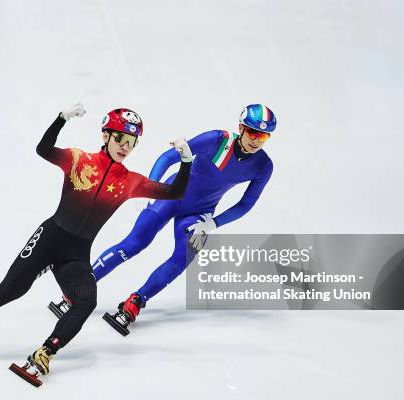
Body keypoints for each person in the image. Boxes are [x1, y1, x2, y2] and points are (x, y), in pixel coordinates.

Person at [0, 104, 194, 382]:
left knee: (86, 301)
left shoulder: (130, 181)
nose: (125, 147)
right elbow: (44, 150)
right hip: (50, 239)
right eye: (120, 138)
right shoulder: (79, 160)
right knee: (9, 290)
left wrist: (186, 161)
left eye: (132, 142)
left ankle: (45, 353)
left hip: (75, 255)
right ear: (105, 136)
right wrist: (61, 119)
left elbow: (174, 191)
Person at [50, 104, 276, 334]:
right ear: (241, 128)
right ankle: (76, 290)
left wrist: (213, 223)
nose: (256, 141)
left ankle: (136, 301)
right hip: (170, 195)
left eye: (264, 136)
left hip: (199, 214)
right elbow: (168, 157)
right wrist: (151, 186)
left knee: (182, 259)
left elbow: (247, 204)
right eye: (253, 132)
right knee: (133, 244)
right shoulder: (217, 140)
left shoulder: (263, 166)